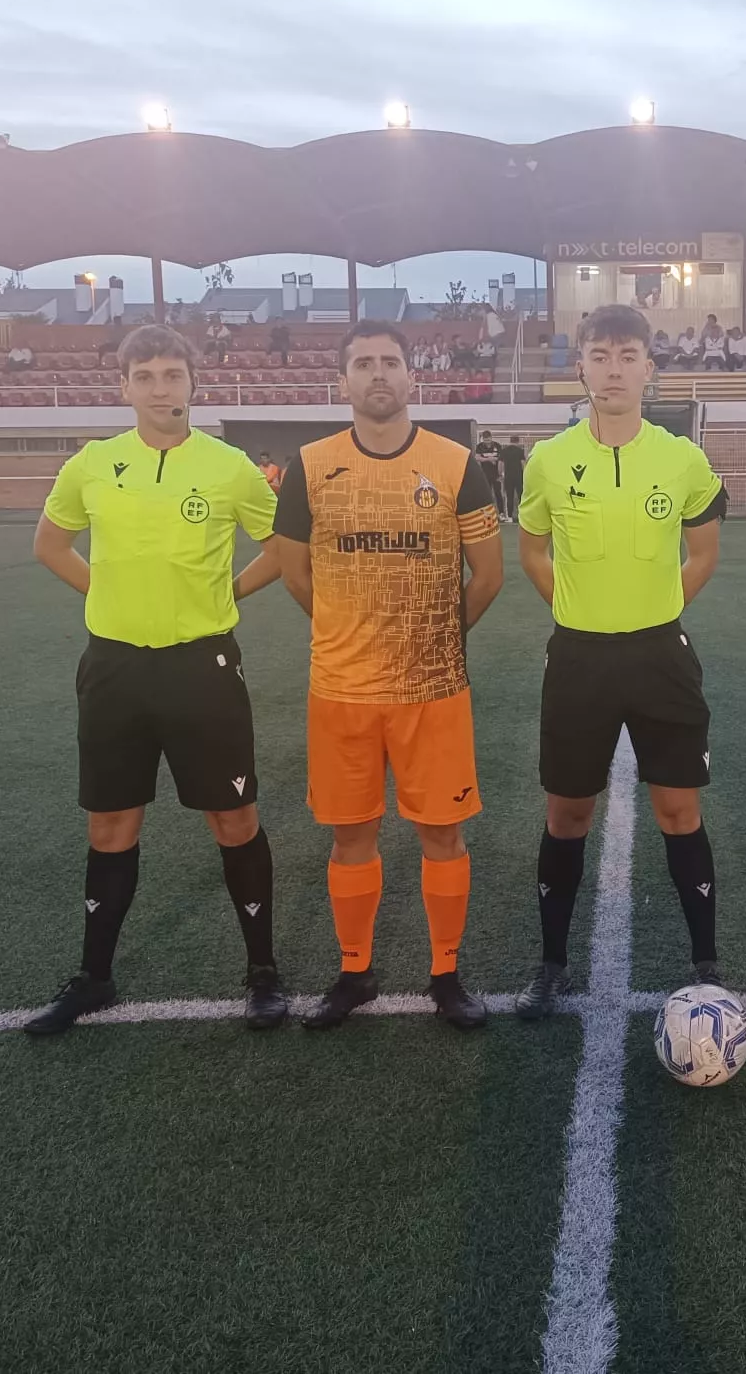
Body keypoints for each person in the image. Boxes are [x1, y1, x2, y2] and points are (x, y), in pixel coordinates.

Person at [22, 324, 288, 1035]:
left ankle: (262, 972)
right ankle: (94, 977)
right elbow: (50, 543)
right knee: (111, 825)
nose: (160, 387)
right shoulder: (92, 463)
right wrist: (103, 594)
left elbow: (290, 547)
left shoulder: (231, 466)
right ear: (124, 387)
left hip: (202, 667)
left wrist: (230, 591)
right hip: (113, 668)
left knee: (233, 819)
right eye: (146, 376)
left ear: (194, 384)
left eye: (173, 374)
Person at [274, 320, 506, 1030]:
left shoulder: (456, 462)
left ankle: (446, 974)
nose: (378, 374)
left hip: (430, 689)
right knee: (351, 838)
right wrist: (353, 632)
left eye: (391, 362)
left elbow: (488, 576)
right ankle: (354, 972)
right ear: (342, 381)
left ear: (414, 378)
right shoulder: (309, 466)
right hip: (340, 690)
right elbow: (295, 574)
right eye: (363, 363)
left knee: (443, 835)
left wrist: (430, 635)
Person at [513, 303, 728, 1018]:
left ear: (649, 369)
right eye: (599, 355)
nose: (613, 368)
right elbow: (533, 551)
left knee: (678, 811)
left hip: (661, 657)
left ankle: (706, 963)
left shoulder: (684, 459)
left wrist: (656, 609)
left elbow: (702, 555)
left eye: (627, 355)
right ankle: (550, 963)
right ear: (580, 365)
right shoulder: (548, 460)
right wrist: (574, 610)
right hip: (578, 660)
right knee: (568, 814)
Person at [499, 433, 527, 523]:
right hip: (518, 477)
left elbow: (500, 464)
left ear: (510, 441)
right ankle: (523, 516)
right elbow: (523, 464)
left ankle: (510, 517)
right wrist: (525, 475)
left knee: (509, 496)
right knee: (521, 497)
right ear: (518, 441)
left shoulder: (504, 451)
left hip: (508, 477)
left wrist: (501, 474)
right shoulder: (520, 451)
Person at [474, 429, 504, 503]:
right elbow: (477, 457)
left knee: (498, 493)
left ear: (491, 438)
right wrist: (489, 459)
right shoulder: (480, 446)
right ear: (483, 439)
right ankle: (487, 510)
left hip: (496, 474)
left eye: (488, 439)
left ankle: (501, 512)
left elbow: (501, 458)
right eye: (485, 440)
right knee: (486, 493)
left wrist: (494, 459)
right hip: (485, 473)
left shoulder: (497, 445)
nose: (487, 442)